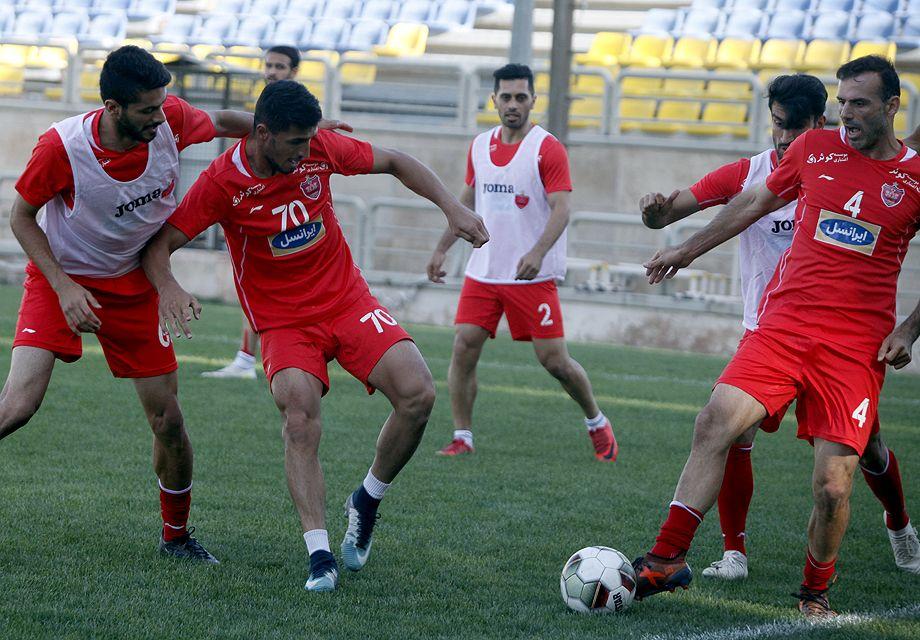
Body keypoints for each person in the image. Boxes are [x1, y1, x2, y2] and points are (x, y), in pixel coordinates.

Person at [141, 80, 489, 592]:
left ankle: (367, 498)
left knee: (419, 395)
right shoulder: (222, 182)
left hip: (347, 301)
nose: (309, 150)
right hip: (283, 323)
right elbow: (159, 245)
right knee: (299, 414)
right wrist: (168, 286)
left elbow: (394, 161)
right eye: (297, 142)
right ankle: (320, 555)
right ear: (262, 135)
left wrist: (451, 209)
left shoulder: (317, 148)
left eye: (310, 141)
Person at [632, 56, 920, 618]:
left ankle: (817, 591)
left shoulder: (914, 179)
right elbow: (753, 202)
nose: (846, 114)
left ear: (891, 107)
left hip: (854, 350)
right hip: (781, 327)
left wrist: (910, 328)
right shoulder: (815, 151)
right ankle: (666, 558)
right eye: (841, 103)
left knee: (836, 485)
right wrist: (684, 251)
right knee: (716, 421)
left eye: (859, 103)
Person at [1, 45, 259, 564]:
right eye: (148, 109)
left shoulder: (171, 120)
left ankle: (177, 538)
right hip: (63, 282)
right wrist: (64, 287)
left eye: (162, 106)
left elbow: (225, 121)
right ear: (114, 108)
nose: (161, 117)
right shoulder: (62, 147)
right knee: (18, 407)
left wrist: (282, 127)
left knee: (168, 421)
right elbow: (22, 218)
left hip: (135, 287)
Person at [426, 63, 618, 462]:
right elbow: (467, 202)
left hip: (531, 276)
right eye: (506, 97)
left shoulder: (546, 148)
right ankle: (462, 435)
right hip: (483, 272)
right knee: (463, 347)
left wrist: (537, 252)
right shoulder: (480, 145)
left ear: (533, 100)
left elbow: (562, 209)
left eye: (521, 97)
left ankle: (596, 422)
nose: (513, 104)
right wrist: (443, 247)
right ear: (493, 100)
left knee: (555, 363)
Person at [203, 44, 301, 379]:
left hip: (282, 210)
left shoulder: (297, 108)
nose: (272, 72)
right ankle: (247, 358)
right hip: (258, 204)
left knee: (269, 286)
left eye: (281, 67)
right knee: (255, 284)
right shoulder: (263, 106)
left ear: (294, 72)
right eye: (269, 65)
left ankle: (258, 360)